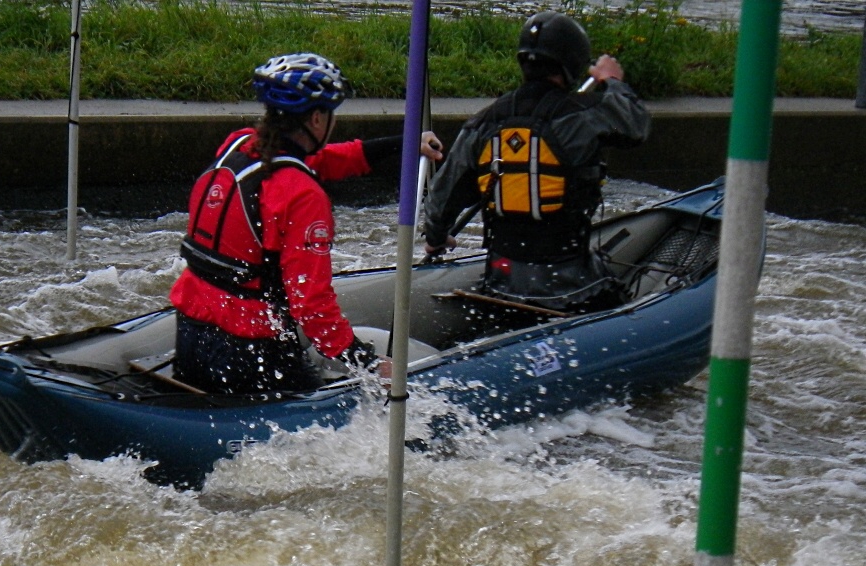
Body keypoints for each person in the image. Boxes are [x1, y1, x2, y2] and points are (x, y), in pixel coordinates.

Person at [170, 52, 443, 395]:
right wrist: (367, 363)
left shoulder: (239, 144)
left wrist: (404, 146)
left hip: (191, 330)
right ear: (316, 119)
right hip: (248, 350)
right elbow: (311, 305)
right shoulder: (304, 196)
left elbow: (321, 160)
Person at [421, 11, 651, 311]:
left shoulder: (482, 123)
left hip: (501, 281)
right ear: (572, 63)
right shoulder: (583, 117)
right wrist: (612, 81)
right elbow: (636, 127)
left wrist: (436, 238)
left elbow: (443, 195)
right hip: (574, 285)